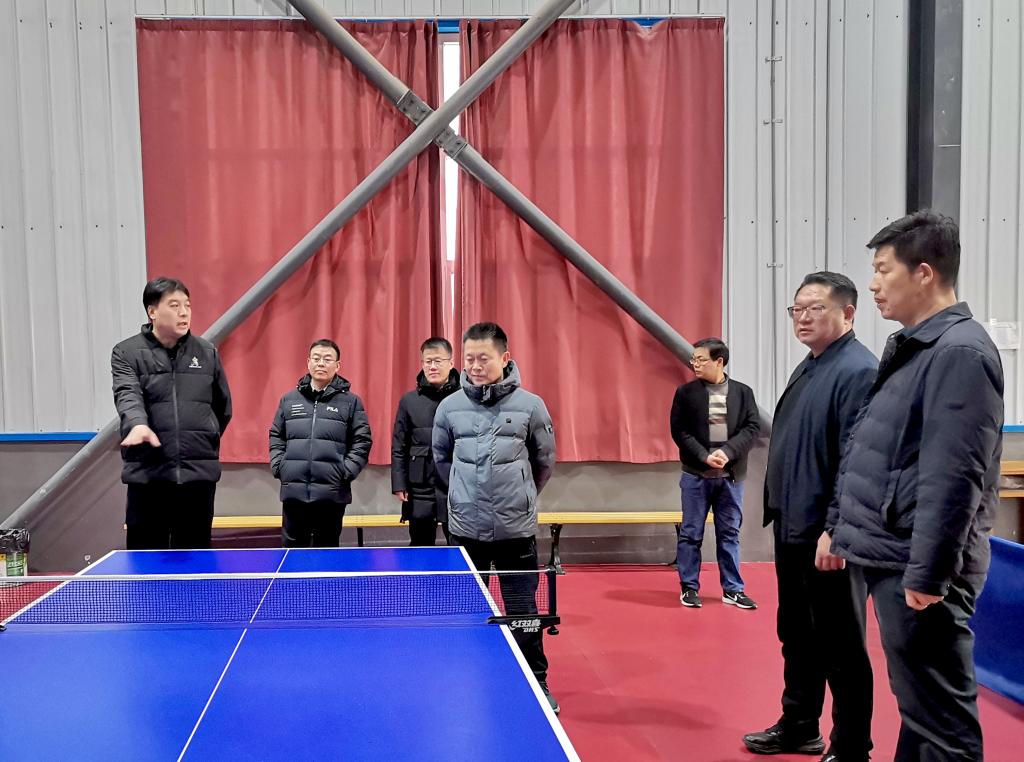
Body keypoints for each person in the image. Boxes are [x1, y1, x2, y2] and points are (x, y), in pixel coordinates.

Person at [821, 212, 1003, 761]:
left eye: (883, 270)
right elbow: (874, 452)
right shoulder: (918, 347)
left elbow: (954, 477)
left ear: (924, 273)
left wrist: (928, 572)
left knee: (942, 727)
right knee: (920, 714)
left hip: (918, 568)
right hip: (897, 557)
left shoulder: (958, 352)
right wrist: (840, 527)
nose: (873, 283)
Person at [744, 272, 877, 761]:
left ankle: (851, 747)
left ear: (848, 313)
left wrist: (836, 529)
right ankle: (800, 725)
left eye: (815, 308)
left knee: (841, 646)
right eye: (797, 309)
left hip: (827, 534)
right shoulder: (812, 365)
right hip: (793, 526)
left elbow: (858, 462)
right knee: (798, 635)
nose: (802, 317)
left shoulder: (859, 371)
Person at [432, 322, 558, 713]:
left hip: (515, 528)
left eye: (483, 358)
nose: (475, 366)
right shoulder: (449, 407)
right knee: (470, 607)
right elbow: (441, 459)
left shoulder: (532, 405)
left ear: (504, 358)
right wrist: (462, 495)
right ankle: (469, 675)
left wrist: (520, 496)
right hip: (465, 527)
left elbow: (544, 460)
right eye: (469, 358)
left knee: (523, 611)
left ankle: (536, 681)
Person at [112, 277, 232, 550]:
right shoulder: (126, 353)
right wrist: (138, 424)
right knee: (146, 563)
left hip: (197, 479)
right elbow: (127, 394)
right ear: (152, 311)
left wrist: (203, 436)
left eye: (187, 305)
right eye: (174, 305)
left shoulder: (207, 352)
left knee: (195, 564)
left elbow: (222, 407)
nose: (184, 312)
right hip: (148, 477)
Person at [669, 337, 760, 609]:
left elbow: (752, 428)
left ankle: (733, 589)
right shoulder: (685, 393)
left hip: (731, 477)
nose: (695, 364)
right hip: (696, 476)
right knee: (690, 534)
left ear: (719, 361)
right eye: (693, 359)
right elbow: (679, 431)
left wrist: (728, 452)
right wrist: (704, 456)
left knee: (729, 533)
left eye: (701, 359)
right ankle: (689, 587)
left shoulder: (743, 393)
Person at [269, 339, 372, 547]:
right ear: (308, 362)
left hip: (331, 494)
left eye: (327, 359)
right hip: (294, 492)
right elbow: (276, 435)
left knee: (326, 553)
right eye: (316, 358)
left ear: (337, 365)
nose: (321, 363)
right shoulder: (289, 400)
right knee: (293, 554)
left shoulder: (351, 402)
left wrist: (344, 471)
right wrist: (280, 466)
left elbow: (362, 441)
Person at [391, 337, 460, 546]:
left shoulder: (465, 398)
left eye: (438, 361)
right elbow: (399, 445)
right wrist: (399, 483)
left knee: (459, 545)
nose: (432, 366)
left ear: (451, 363)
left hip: (456, 484)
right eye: (428, 361)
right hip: (419, 486)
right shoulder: (409, 401)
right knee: (420, 545)